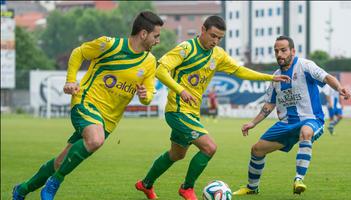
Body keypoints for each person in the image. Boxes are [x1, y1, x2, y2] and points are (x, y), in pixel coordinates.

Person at [12, 11, 163, 200]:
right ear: (143, 34)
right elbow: (79, 52)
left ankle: (22, 190)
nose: (157, 41)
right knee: (95, 139)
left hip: (108, 120)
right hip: (85, 102)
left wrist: (145, 96)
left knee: (61, 161)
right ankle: (55, 182)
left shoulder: (149, 62)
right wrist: (70, 80)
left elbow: (148, 95)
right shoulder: (110, 44)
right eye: (156, 36)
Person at [135, 16, 290, 200]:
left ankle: (145, 184)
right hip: (177, 111)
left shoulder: (218, 54)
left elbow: (240, 71)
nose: (215, 41)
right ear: (202, 29)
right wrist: (181, 90)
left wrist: (269, 78)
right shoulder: (186, 49)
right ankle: (187, 188)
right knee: (209, 147)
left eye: (219, 38)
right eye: (213, 36)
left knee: (176, 154)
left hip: (191, 113)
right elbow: (160, 69)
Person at [233, 36, 350, 196]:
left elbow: (326, 77)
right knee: (257, 150)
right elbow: (269, 104)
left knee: (306, 132)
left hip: (311, 119)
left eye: (283, 50)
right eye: (276, 51)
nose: (279, 54)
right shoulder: (275, 77)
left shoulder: (305, 66)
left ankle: (298, 180)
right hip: (287, 124)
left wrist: (339, 87)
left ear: (292, 51)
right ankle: (252, 188)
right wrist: (253, 123)